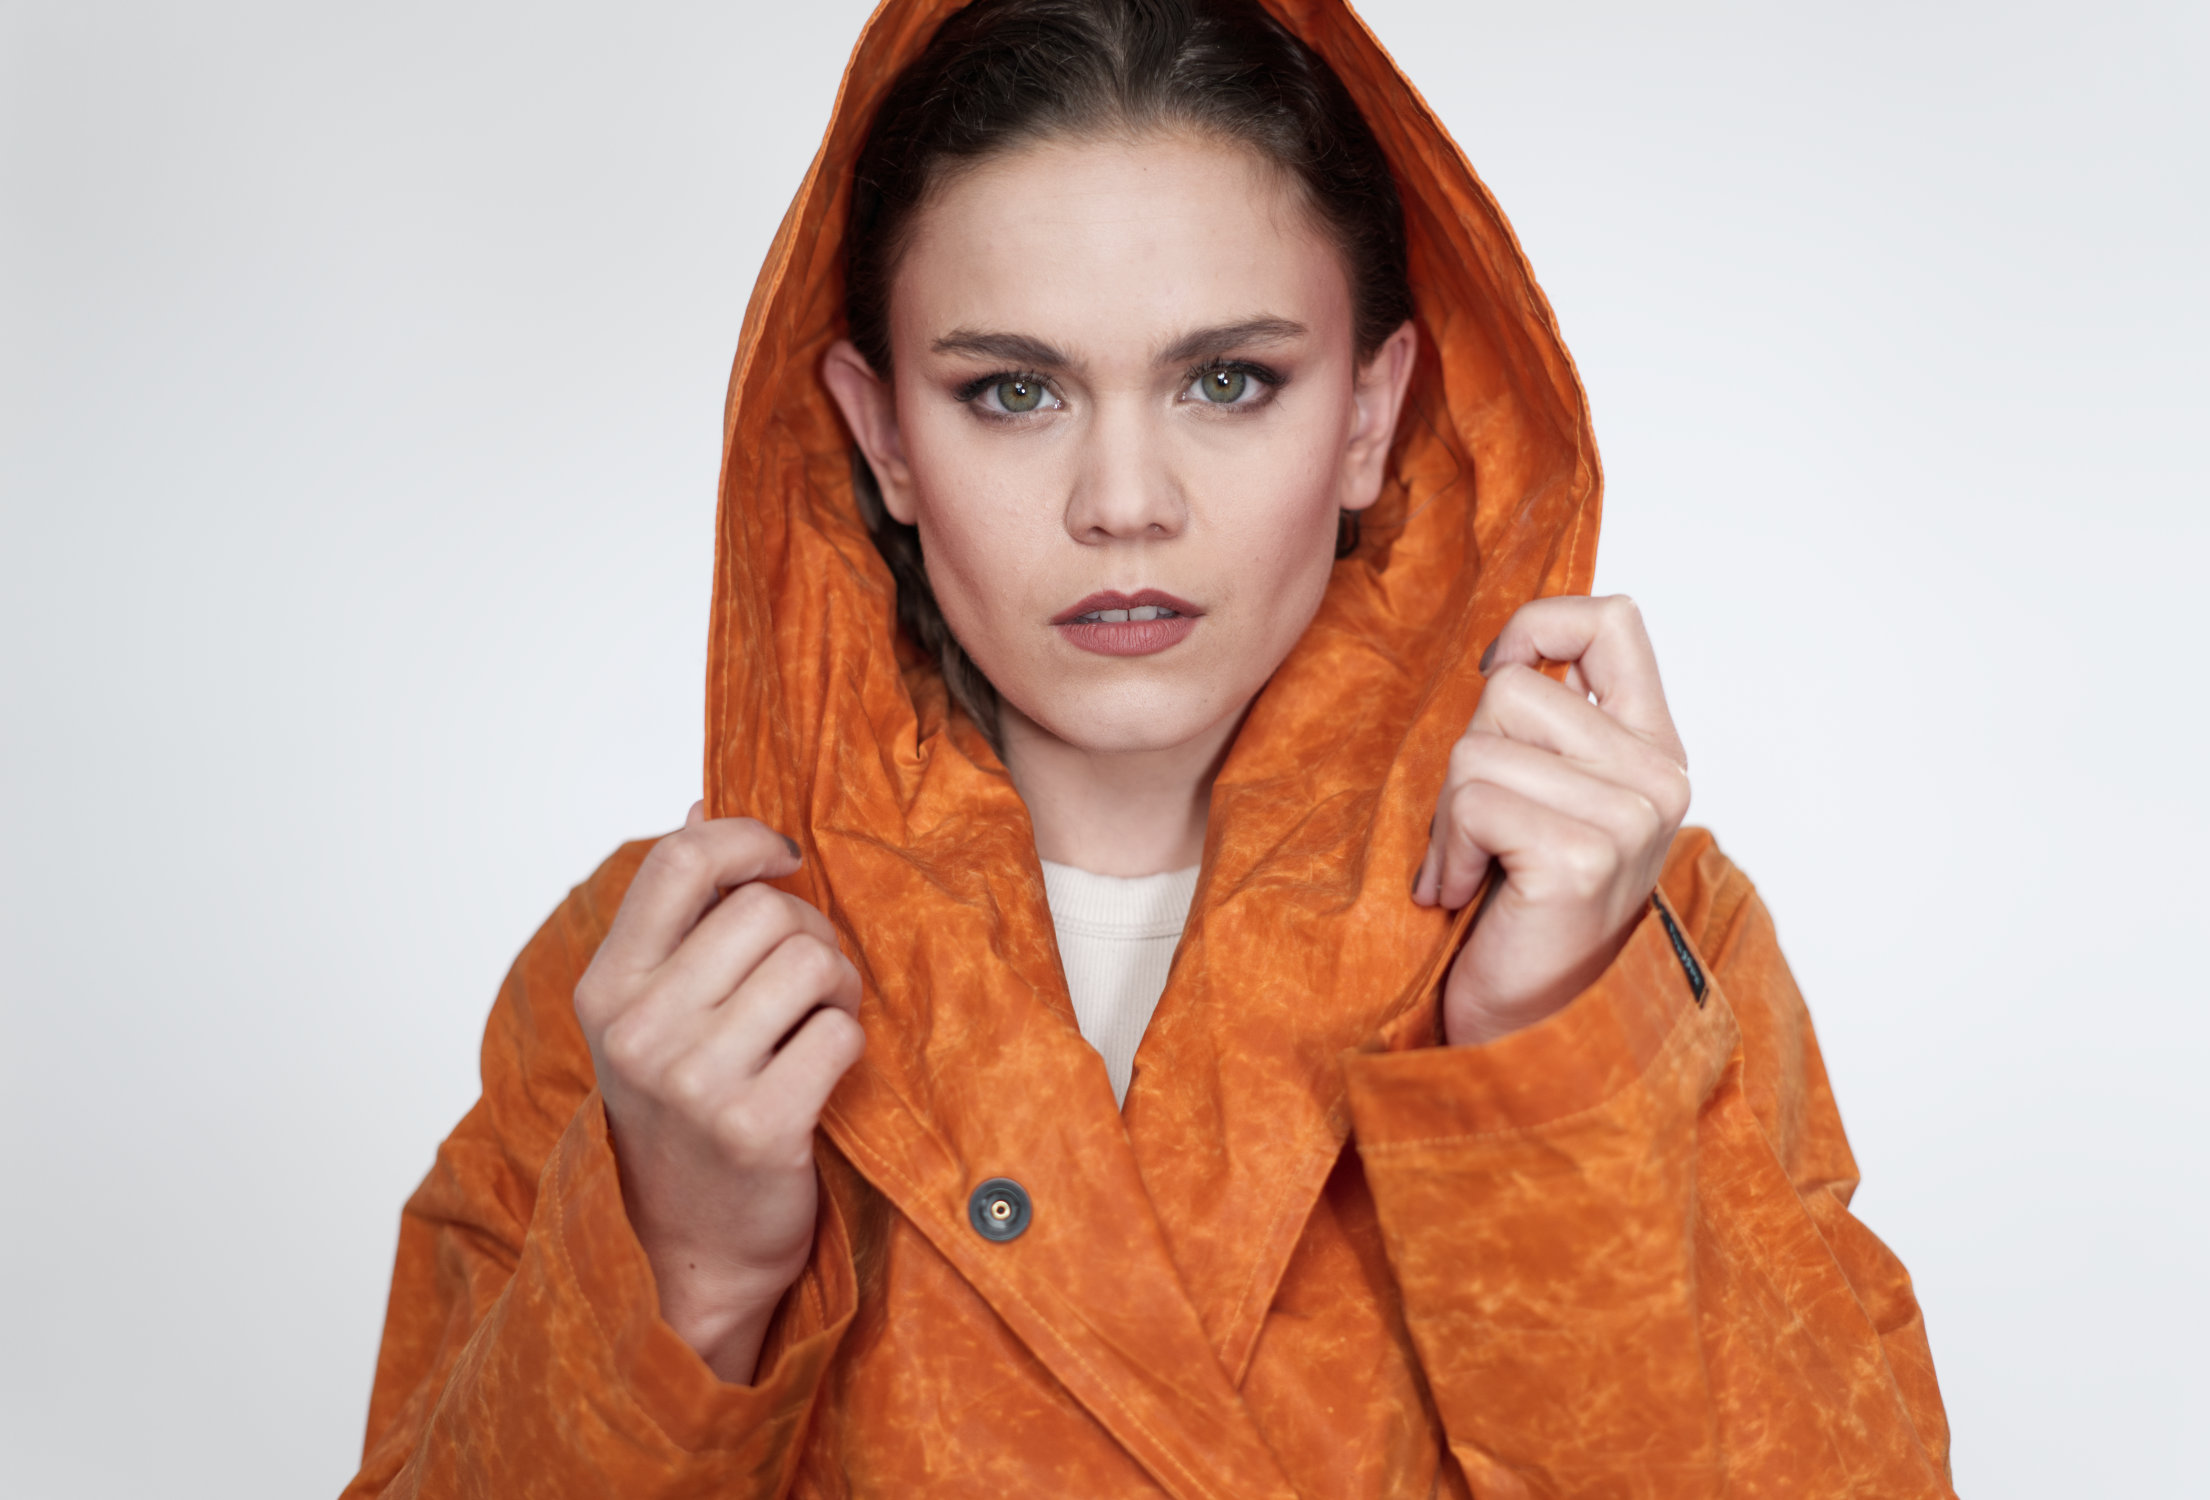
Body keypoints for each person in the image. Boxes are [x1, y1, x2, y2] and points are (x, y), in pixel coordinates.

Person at [347, 1, 1956, 1494]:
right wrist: (687, 1273)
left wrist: (1545, 1062)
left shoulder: (1636, 945)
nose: (1124, 502)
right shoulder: (661, 986)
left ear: (1368, 415)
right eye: (1012, 392)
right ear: (883, 433)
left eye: (1228, 380)